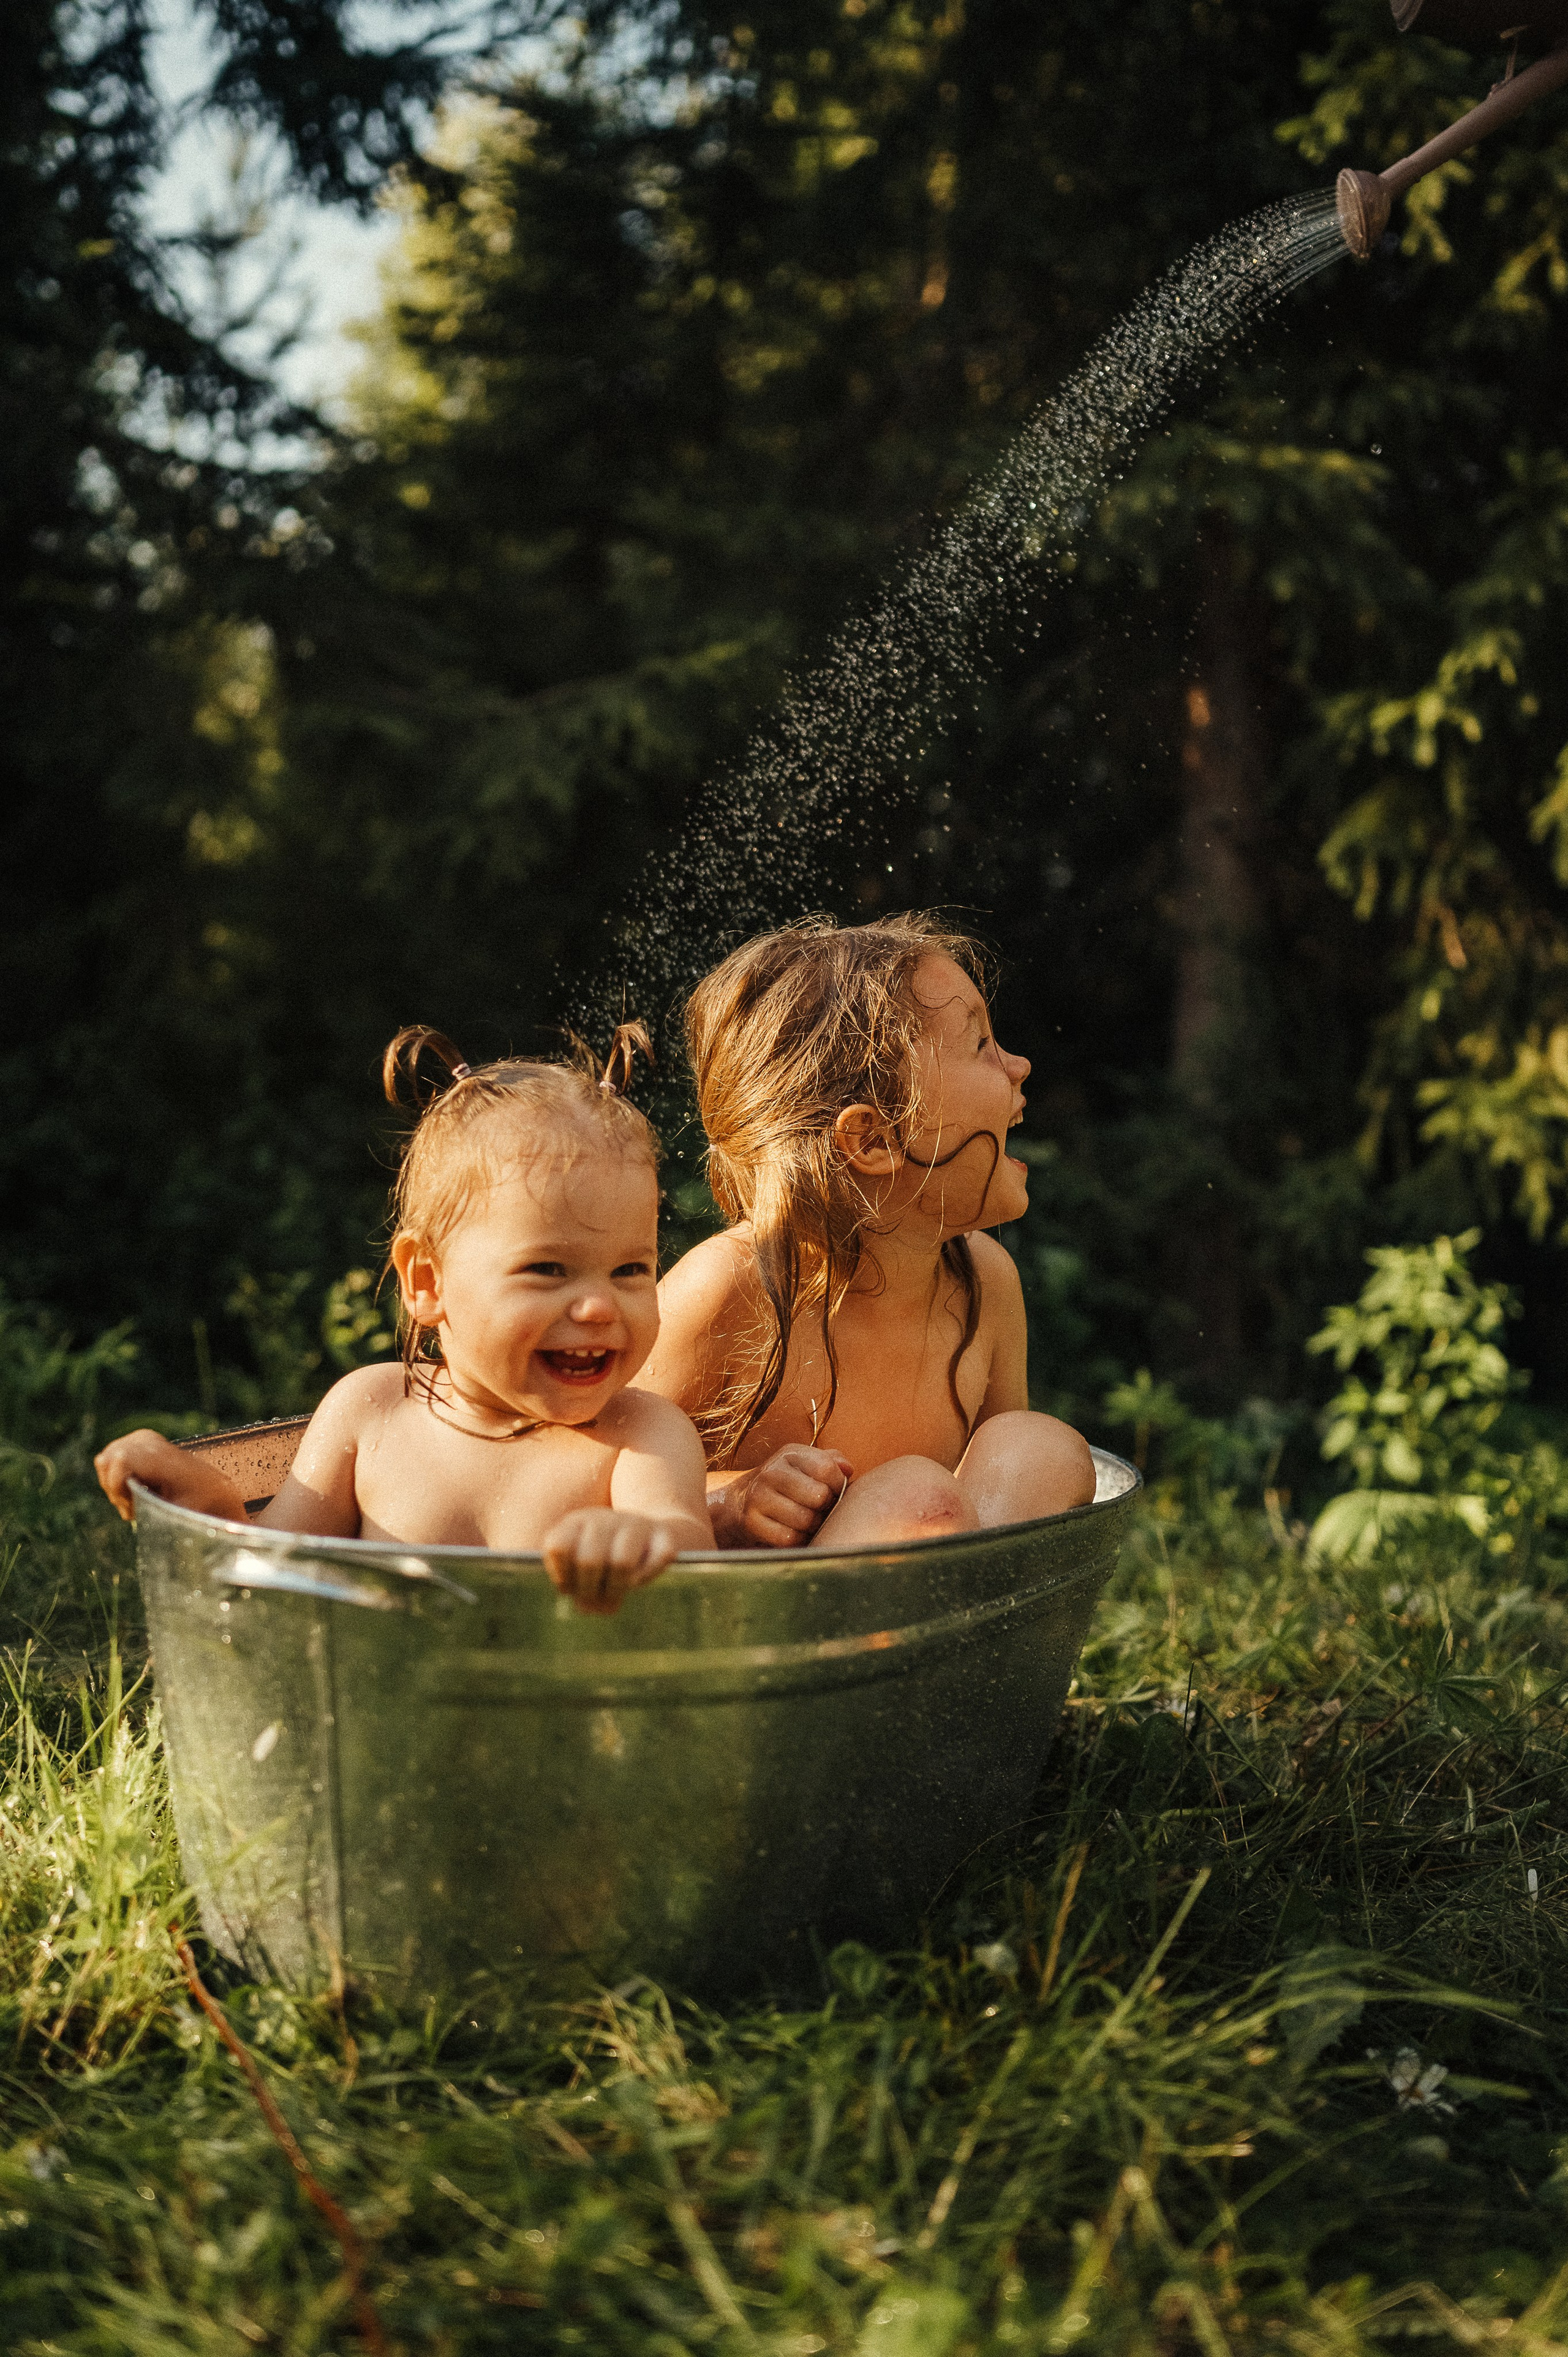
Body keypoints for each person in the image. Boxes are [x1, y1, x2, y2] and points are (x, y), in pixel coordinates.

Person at [95, 1026, 712, 1614]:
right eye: (548, 1269)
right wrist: (210, 1499)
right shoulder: (371, 1411)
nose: (600, 1305)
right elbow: (273, 1580)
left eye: (631, 1268)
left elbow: (692, 1555)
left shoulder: (643, 1434)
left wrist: (637, 1541)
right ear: (426, 1281)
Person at [643, 915, 1096, 1548]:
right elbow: (586, 1484)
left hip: (931, 1610)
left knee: (1038, 1447)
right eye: (979, 1045)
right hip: (754, 1633)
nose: (1019, 1064)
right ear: (874, 1138)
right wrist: (730, 1502)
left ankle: (973, 1643)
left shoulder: (985, 1280)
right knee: (918, 1497)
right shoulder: (727, 1289)